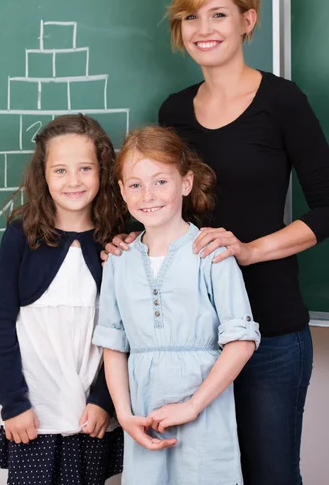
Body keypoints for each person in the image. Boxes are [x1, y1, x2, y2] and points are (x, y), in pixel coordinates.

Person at [104, 0, 329, 485]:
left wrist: (250, 251)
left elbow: (327, 207)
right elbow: (156, 195)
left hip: (269, 331)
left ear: (248, 21)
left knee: (270, 475)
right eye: (190, 17)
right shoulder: (174, 110)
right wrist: (126, 240)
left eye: (219, 14)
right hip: (189, 343)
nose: (204, 29)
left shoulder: (282, 101)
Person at [93, 125, 261, 485]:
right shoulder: (118, 261)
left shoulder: (212, 252)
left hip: (204, 413)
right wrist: (123, 415)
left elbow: (242, 342)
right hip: (144, 418)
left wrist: (191, 406)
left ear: (185, 183)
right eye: (135, 184)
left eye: (160, 182)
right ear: (122, 191)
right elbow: (113, 345)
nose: (147, 194)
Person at [0, 114, 126, 485]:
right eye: (60, 170)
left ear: (102, 171)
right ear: (43, 175)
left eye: (85, 168)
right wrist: (14, 404)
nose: (73, 181)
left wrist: (103, 400)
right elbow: (1, 324)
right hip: (34, 412)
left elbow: (123, 331)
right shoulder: (21, 236)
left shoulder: (117, 241)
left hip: (91, 412)